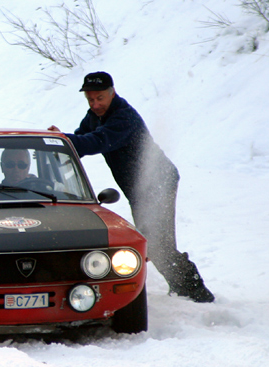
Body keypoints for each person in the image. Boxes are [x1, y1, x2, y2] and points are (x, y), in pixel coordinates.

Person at [48, 71, 214, 303]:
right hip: (138, 190)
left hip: (158, 183)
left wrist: (65, 140)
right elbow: (81, 141)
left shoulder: (123, 117)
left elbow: (97, 141)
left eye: (100, 99)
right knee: (154, 243)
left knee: (156, 244)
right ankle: (184, 287)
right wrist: (59, 147)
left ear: (112, 93)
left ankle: (195, 292)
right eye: (90, 99)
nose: (95, 104)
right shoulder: (94, 116)